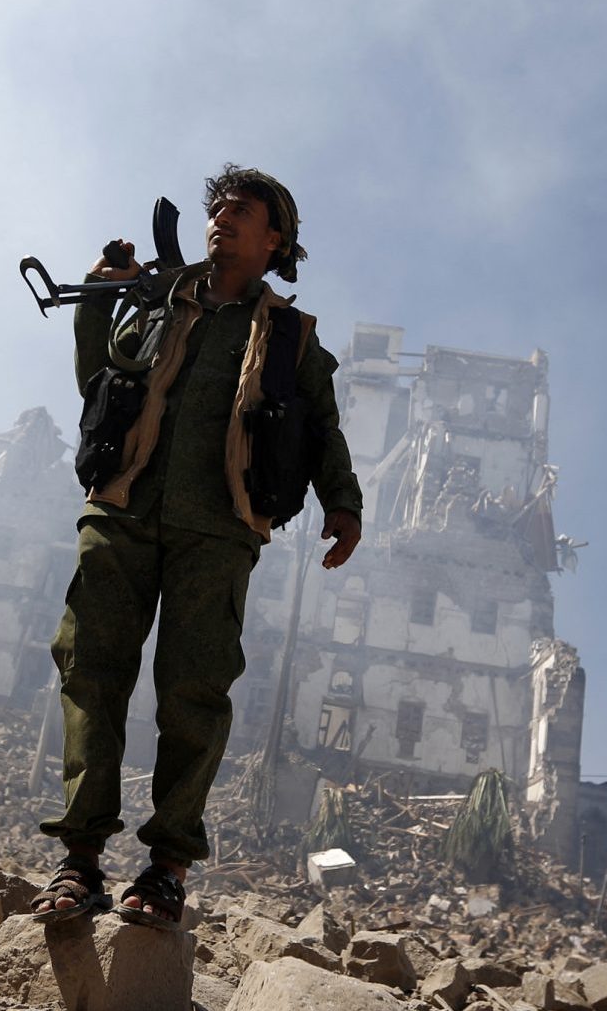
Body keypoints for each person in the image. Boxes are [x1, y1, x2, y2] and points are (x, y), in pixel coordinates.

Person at [30, 165, 363, 929]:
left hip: (218, 528)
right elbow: (100, 386)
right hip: (120, 506)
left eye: (241, 210)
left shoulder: (292, 336)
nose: (221, 217)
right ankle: (79, 861)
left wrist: (341, 501)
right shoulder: (156, 300)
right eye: (216, 208)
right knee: (91, 672)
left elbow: (321, 428)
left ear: (275, 237)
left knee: (194, 694)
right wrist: (103, 294)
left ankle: (167, 866)